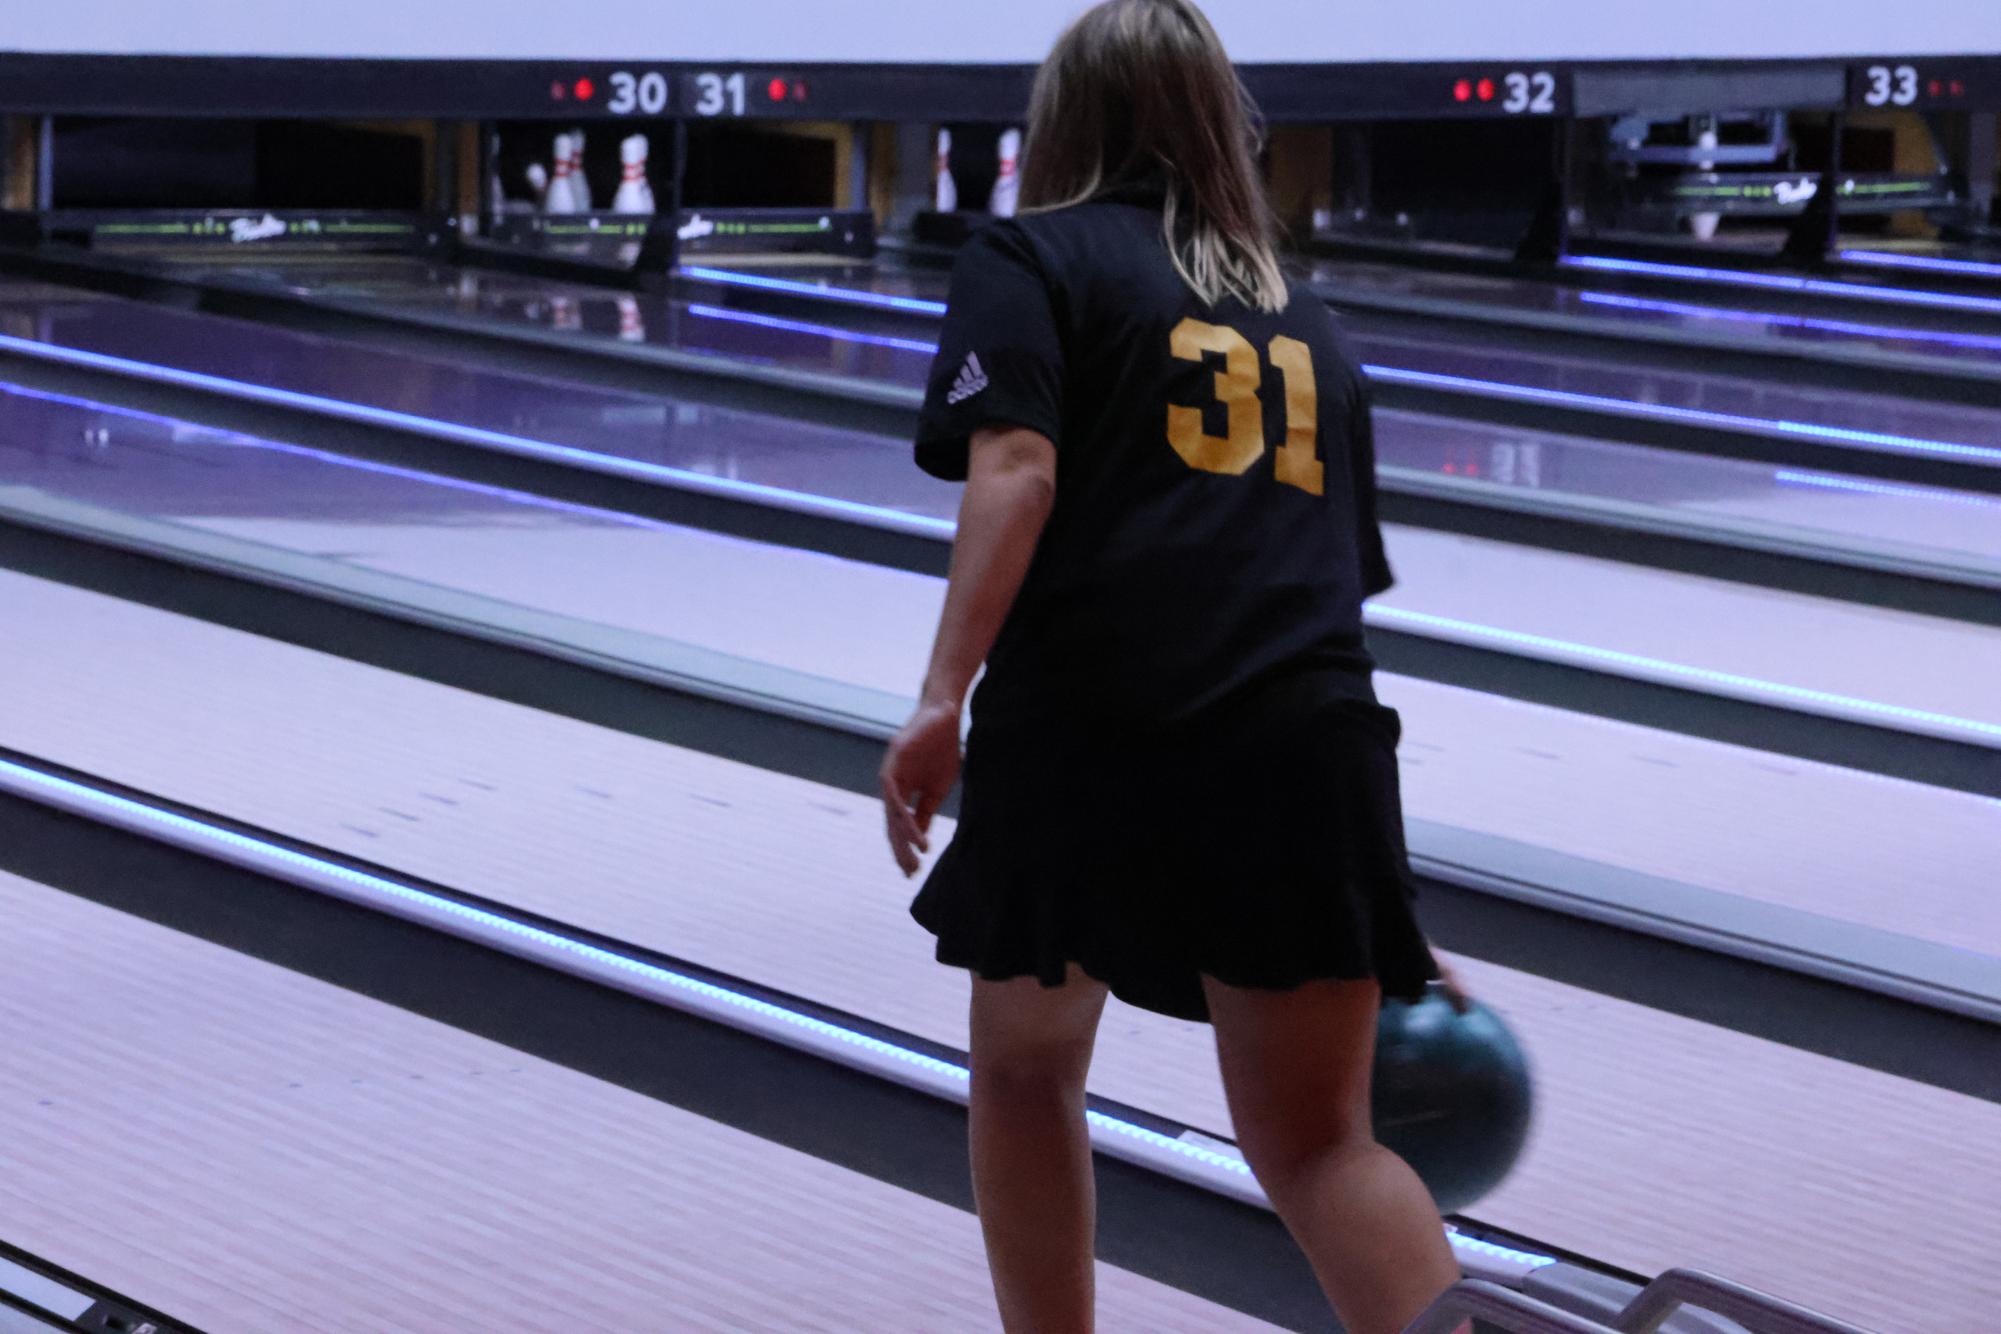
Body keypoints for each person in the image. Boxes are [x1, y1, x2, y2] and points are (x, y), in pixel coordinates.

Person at [879, 2, 1463, 1330]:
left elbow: (1015, 470)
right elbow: (1330, 593)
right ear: (1217, 125)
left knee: (1026, 1074)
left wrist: (936, 697)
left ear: (1056, 122)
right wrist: (1360, 881)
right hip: (1307, 748)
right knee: (1325, 1145)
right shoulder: (1307, 322)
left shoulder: (1028, 255)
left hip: (1094, 723)